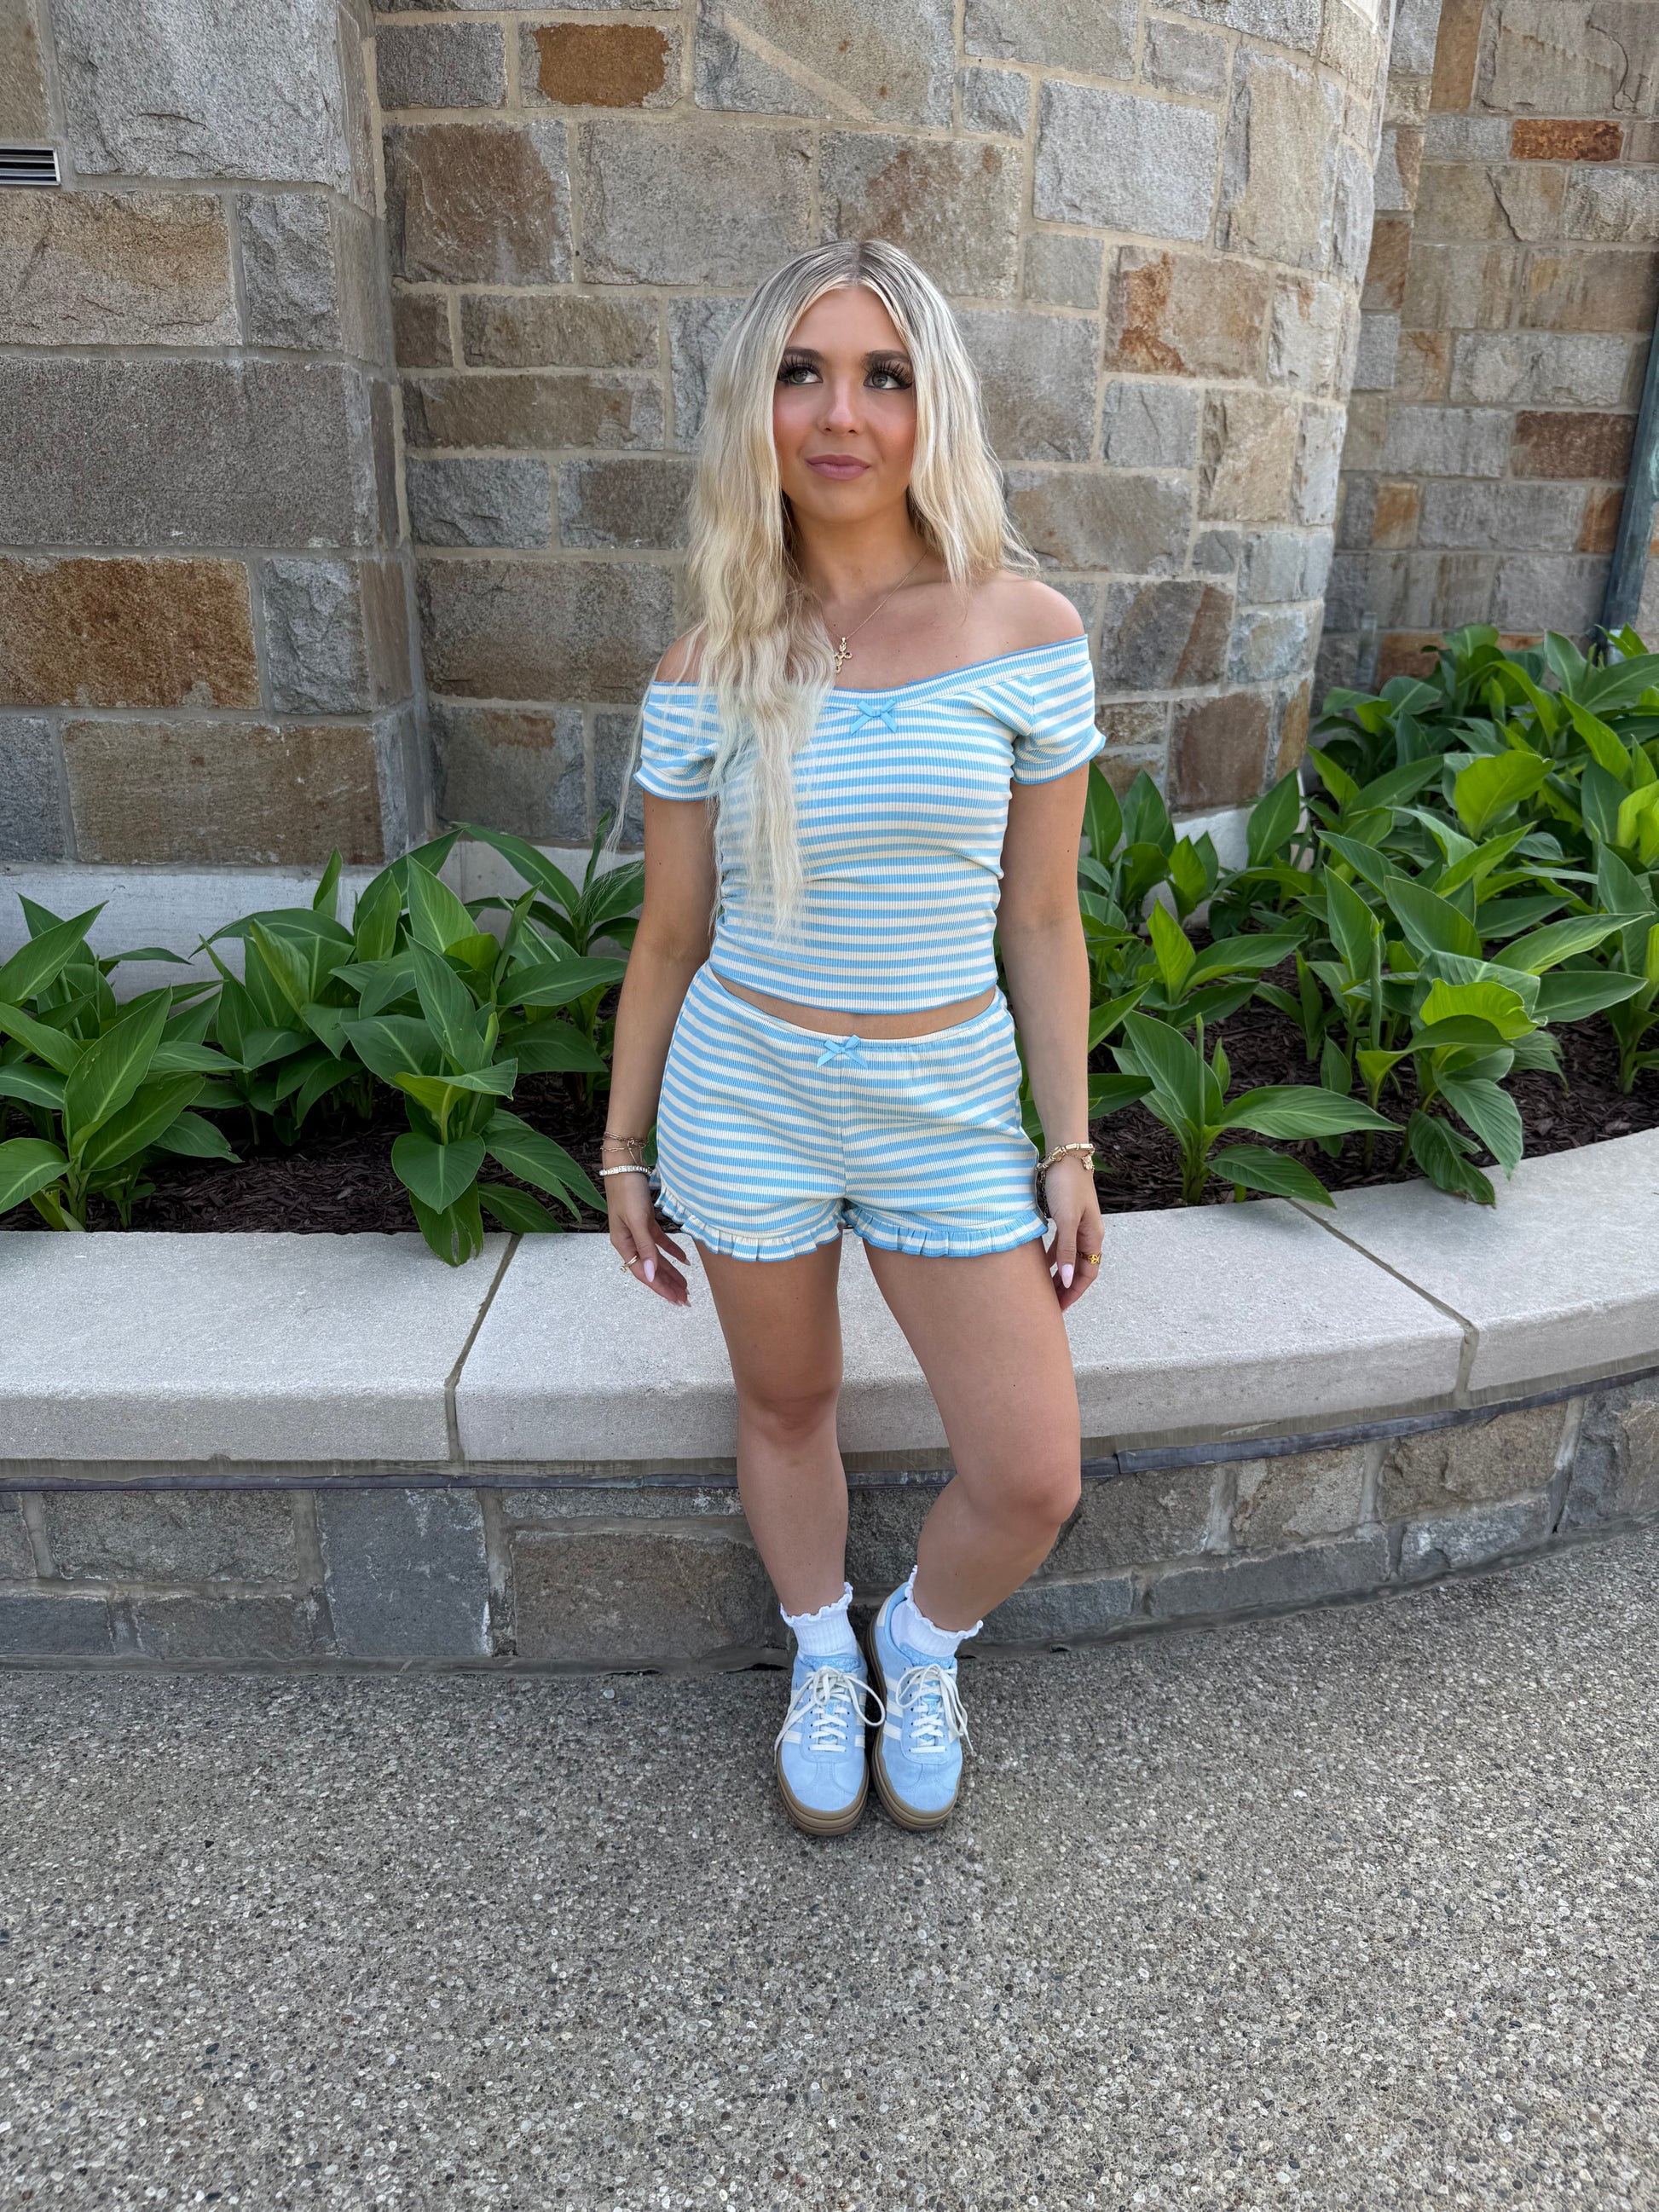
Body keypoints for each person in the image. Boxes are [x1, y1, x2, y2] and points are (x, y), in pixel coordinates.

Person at [601, 239, 1106, 1837]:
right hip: (746, 1095)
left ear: (928, 405)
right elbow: (669, 935)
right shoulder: (706, 664)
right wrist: (620, 1149)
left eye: (882, 376)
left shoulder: (1024, 629)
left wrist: (1068, 1142)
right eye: (800, 374)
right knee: (785, 1403)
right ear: (754, 411)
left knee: (1030, 1473)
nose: (840, 414)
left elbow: (1043, 922)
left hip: (943, 1107)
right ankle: (822, 1648)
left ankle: (920, 1641)